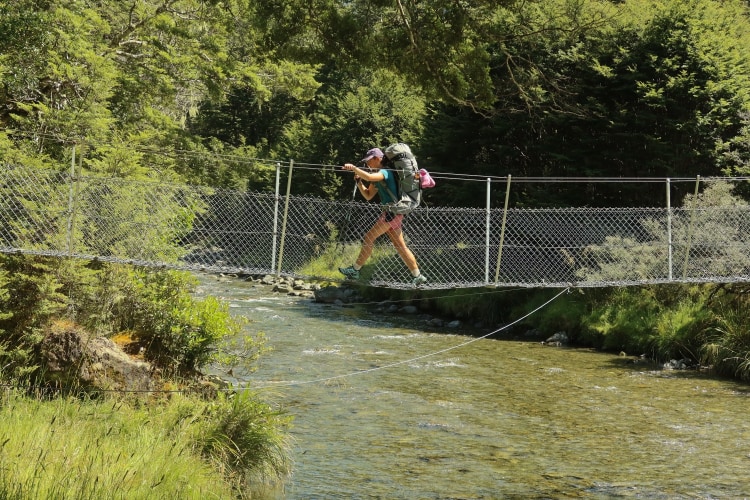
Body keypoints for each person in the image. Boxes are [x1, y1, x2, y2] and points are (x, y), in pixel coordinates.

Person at [339, 147, 428, 286]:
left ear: (377, 158)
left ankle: (355, 270)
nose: (367, 164)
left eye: (369, 161)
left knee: (369, 237)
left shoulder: (385, 172)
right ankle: (418, 276)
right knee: (400, 246)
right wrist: (359, 182)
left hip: (391, 213)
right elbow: (368, 195)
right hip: (394, 214)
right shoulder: (378, 176)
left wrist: (354, 168)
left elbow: (368, 176)